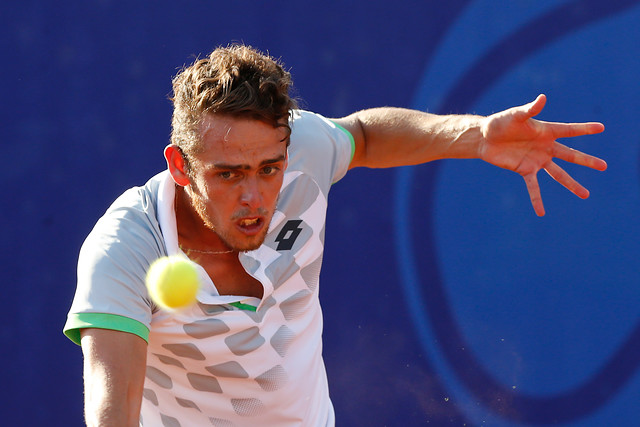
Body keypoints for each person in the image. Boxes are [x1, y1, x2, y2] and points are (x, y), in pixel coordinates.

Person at [63, 44, 606, 427]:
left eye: (269, 168)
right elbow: (113, 410)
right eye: (227, 174)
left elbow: (365, 136)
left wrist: (473, 135)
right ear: (181, 167)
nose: (253, 196)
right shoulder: (124, 250)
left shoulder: (305, 149)